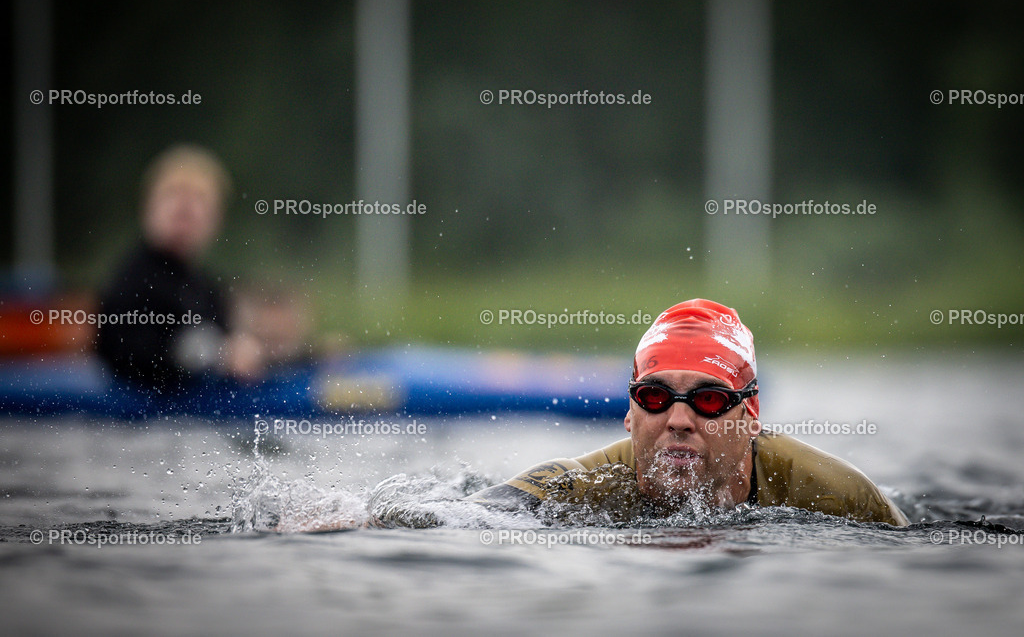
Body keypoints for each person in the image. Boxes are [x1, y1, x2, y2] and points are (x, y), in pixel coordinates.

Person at [372, 299, 908, 527]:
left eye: (709, 400)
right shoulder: (588, 482)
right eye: (655, 397)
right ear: (630, 412)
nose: (678, 420)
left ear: (751, 414)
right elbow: (459, 517)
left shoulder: (836, 495)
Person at [96, 144, 264, 392]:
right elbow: (126, 355)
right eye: (173, 194)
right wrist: (215, 355)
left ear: (216, 219)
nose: (185, 206)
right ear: (148, 208)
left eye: (199, 198)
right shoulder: (131, 281)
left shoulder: (207, 286)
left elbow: (231, 341)